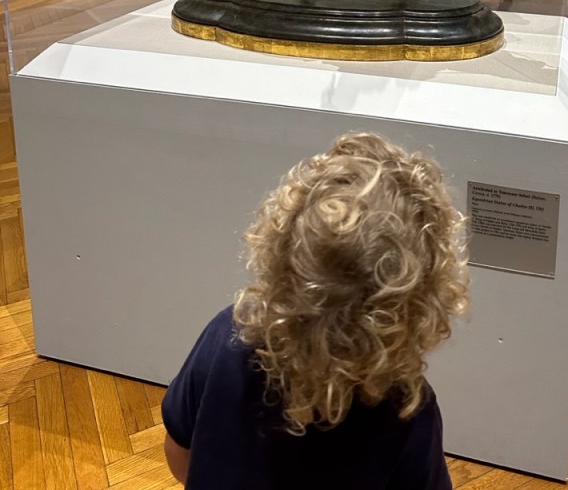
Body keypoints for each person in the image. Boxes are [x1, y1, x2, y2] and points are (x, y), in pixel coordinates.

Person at [162, 132, 468, 490]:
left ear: (281, 250)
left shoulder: (228, 334)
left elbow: (179, 453)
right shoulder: (405, 409)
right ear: (422, 298)